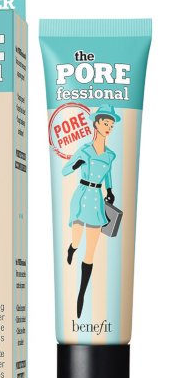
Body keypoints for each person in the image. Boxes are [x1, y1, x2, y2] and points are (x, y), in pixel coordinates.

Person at [62, 104, 120, 318]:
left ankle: (81, 294)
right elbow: (64, 170)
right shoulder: (84, 150)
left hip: (97, 200)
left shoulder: (110, 155)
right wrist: (75, 165)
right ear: (96, 124)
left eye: (111, 125)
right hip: (81, 197)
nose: (108, 127)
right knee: (77, 240)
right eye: (105, 123)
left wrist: (110, 191)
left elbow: (108, 175)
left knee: (91, 251)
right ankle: (72, 248)